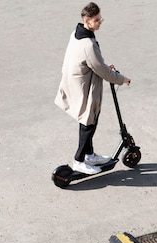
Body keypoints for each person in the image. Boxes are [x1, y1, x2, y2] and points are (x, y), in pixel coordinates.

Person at [55, 2, 131, 174]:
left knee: (89, 120)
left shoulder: (77, 33)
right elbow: (101, 70)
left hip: (75, 81)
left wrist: (102, 65)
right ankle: (78, 160)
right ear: (87, 20)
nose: (100, 22)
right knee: (88, 122)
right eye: (97, 20)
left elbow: (94, 63)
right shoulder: (88, 43)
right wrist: (121, 79)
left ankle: (89, 155)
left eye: (100, 19)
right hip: (84, 88)